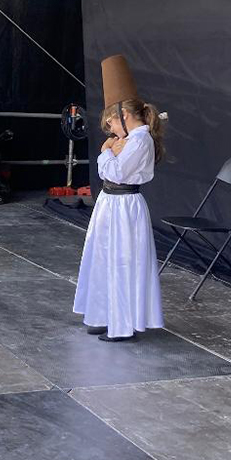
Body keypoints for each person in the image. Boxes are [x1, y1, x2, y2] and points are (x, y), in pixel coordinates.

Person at [73, 54, 166, 342]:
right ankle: (103, 314)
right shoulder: (128, 140)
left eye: (112, 125)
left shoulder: (139, 141)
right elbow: (109, 175)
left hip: (125, 205)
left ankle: (122, 324)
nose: (111, 132)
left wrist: (106, 153)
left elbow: (116, 172)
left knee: (123, 261)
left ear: (124, 118)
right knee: (103, 257)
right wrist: (111, 153)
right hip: (110, 203)